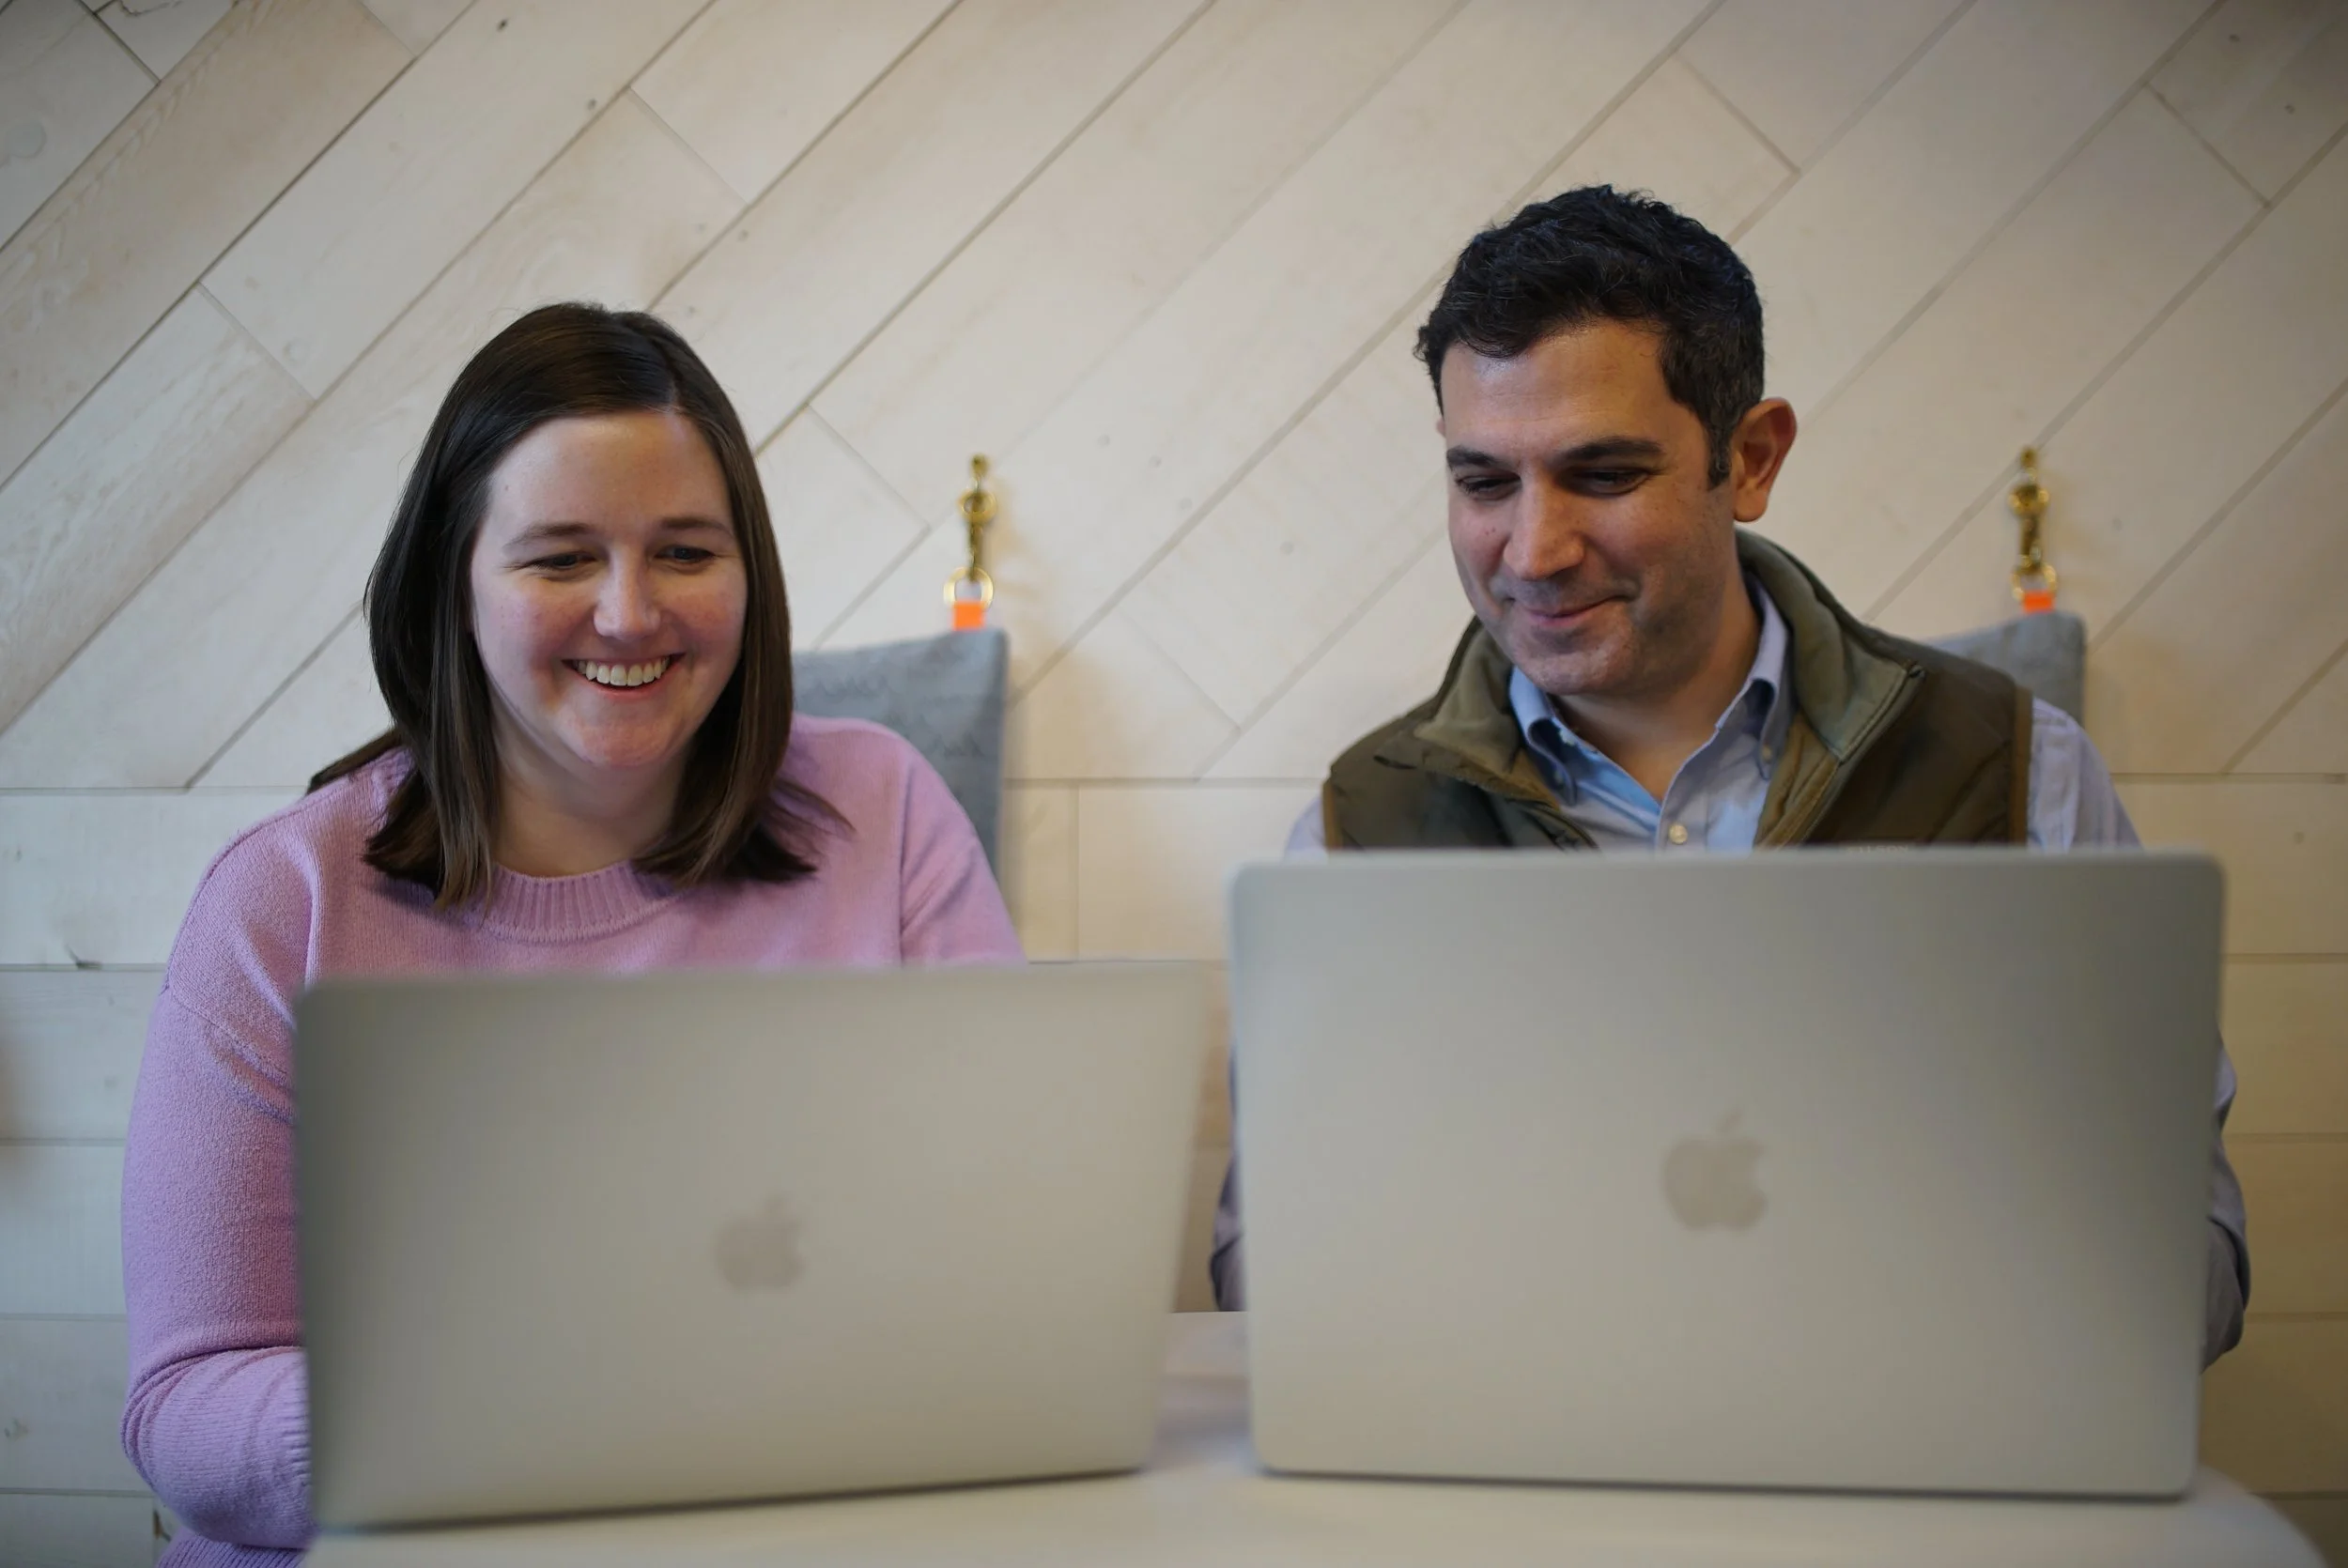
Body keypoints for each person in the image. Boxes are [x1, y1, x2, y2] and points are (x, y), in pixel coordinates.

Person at [1208, 186, 2249, 1367]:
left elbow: (2194, 1275)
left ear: (1749, 459)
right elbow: (1260, 1274)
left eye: (1604, 473)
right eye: (1484, 481)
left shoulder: (2023, 772)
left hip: (1911, 1451)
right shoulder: (1354, 833)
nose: (1533, 551)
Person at [118, 303, 1022, 1566]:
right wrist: (502, 1422)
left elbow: (1013, 1260)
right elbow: (186, 1407)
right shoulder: (284, 900)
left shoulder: (884, 807)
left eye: (685, 551)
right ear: (454, 583)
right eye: (558, 559)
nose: (629, 612)